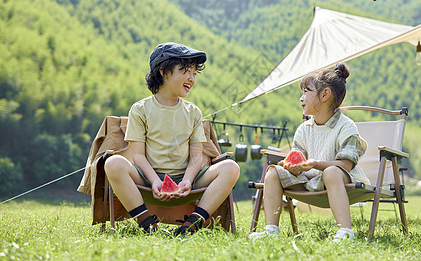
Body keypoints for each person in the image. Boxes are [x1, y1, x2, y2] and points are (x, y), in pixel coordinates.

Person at [104, 42, 240, 236]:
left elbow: (195, 157)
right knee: (113, 163)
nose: (192, 79)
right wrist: (154, 181)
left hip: (187, 180)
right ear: (164, 72)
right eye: (186, 72)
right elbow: (138, 156)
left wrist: (187, 180)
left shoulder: (193, 112)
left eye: (194, 74)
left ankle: (191, 226)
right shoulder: (140, 109)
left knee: (231, 168)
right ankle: (147, 225)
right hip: (148, 179)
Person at [249, 63, 370, 242]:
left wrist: (314, 164)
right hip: (309, 182)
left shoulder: (346, 127)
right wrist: (292, 167)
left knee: (331, 171)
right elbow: (297, 158)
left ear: (325, 95)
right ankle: (271, 230)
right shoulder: (303, 129)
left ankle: (345, 231)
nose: (301, 97)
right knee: (273, 172)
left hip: (343, 181)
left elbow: (345, 165)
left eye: (306, 91)